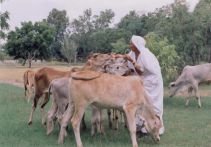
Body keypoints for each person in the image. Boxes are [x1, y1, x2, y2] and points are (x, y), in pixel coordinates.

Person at [124, 35, 165, 135]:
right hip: (142, 82)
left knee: (153, 105)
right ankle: (144, 128)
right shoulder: (132, 54)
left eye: (131, 43)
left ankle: (158, 128)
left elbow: (141, 71)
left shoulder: (146, 55)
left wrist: (132, 61)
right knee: (141, 105)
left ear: (137, 44)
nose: (130, 45)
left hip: (152, 83)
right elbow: (131, 69)